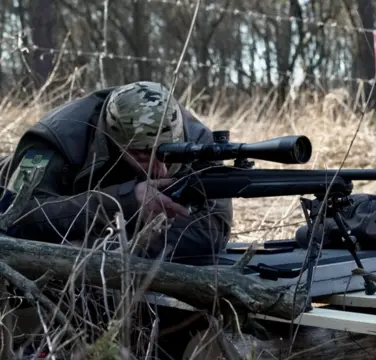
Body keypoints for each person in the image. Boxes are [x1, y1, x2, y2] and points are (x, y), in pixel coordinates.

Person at [0, 81, 233, 264]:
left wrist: (100, 248)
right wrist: (124, 202)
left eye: (168, 153)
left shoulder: (198, 139)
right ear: (114, 141)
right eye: (142, 154)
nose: (160, 170)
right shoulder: (55, 138)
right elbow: (17, 216)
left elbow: (212, 230)